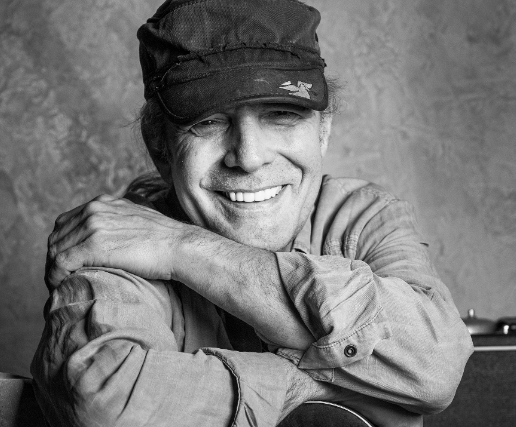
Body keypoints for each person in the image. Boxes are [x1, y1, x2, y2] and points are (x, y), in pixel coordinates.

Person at [31, 1, 473, 426]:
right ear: (160, 147)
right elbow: (107, 406)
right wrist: (334, 386)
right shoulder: (115, 240)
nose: (248, 157)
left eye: (280, 113)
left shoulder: (363, 218)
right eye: (208, 121)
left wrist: (179, 248)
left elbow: (434, 365)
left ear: (323, 131)